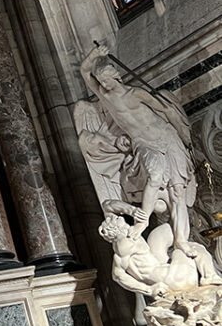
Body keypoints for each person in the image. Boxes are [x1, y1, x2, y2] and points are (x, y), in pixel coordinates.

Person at [81, 44, 196, 256]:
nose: (103, 84)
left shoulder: (137, 93)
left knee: (178, 190)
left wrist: (182, 131)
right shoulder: (105, 97)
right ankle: (142, 221)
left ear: (115, 77)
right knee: (155, 175)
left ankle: (181, 240)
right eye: (101, 81)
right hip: (144, 142)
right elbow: (84, 71)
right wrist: (95, 55)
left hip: (166, 137)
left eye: (105, 79)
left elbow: (164, 109)